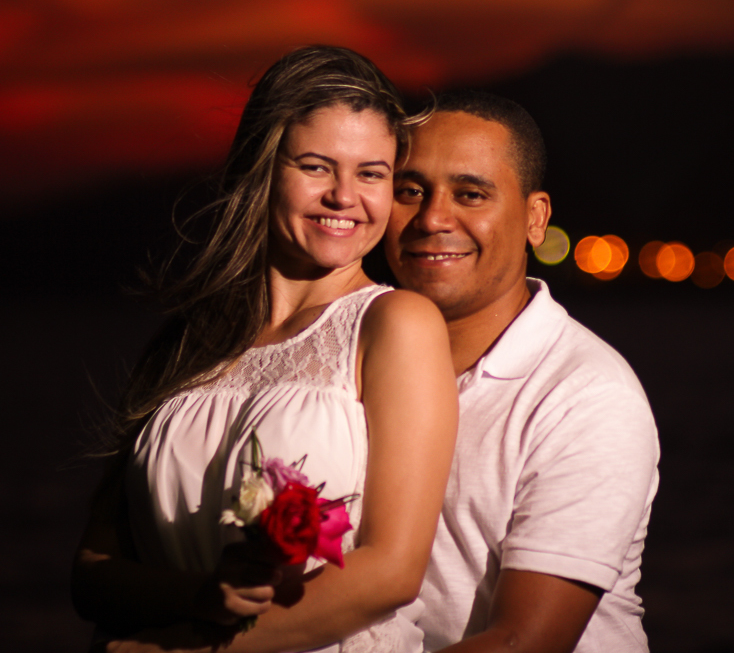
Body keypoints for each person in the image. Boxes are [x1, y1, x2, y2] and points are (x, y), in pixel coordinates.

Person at [72, 46, 459, 653]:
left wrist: (190, 652)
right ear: (264, 167)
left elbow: (391, 572)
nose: (343, 195)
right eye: (315, 166)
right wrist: (199, 598)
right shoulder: (191, 339)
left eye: (371, 173)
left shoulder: (395, 323)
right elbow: (93, 569)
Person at [384, 90, 660, 652]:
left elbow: (523, 643)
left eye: (471, 193)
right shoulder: (358, 361)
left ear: (536, 219)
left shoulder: (586, 395)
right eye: (410, 191)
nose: (434, 217)